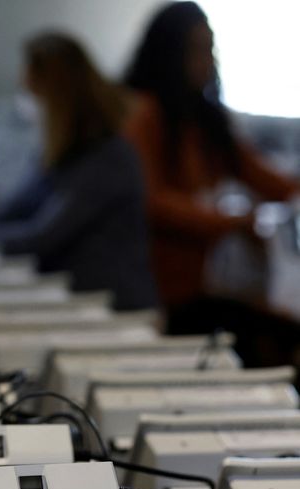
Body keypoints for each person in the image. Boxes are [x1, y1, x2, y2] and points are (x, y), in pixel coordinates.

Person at [0, 32, 157, 311]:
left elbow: (42, 236)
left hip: (117, 310)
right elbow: (12, 208)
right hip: (82, 301)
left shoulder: (108, 157)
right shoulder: (62, 150)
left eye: (32, 91)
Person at [123, 1, 300, 336]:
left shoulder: (205, 119)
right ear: (170, 53)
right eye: (195, 50)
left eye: (209, 49)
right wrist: (230, 221)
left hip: (201, 283)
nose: (206, 61)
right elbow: (153, 201)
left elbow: (260, 175)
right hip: (158, 290)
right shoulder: (145, 115)